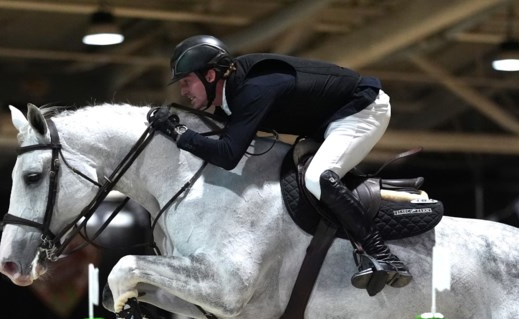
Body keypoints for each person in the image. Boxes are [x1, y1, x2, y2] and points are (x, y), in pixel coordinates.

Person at [149, 35, 410, 296]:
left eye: (186, 81)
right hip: (328, 121)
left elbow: (228, 155)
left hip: (361, 110)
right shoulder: (233, 93)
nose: (183, 91)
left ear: (209, 76)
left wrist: (178, 132)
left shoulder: (254, 90)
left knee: (317, 177)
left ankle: (382, 254)